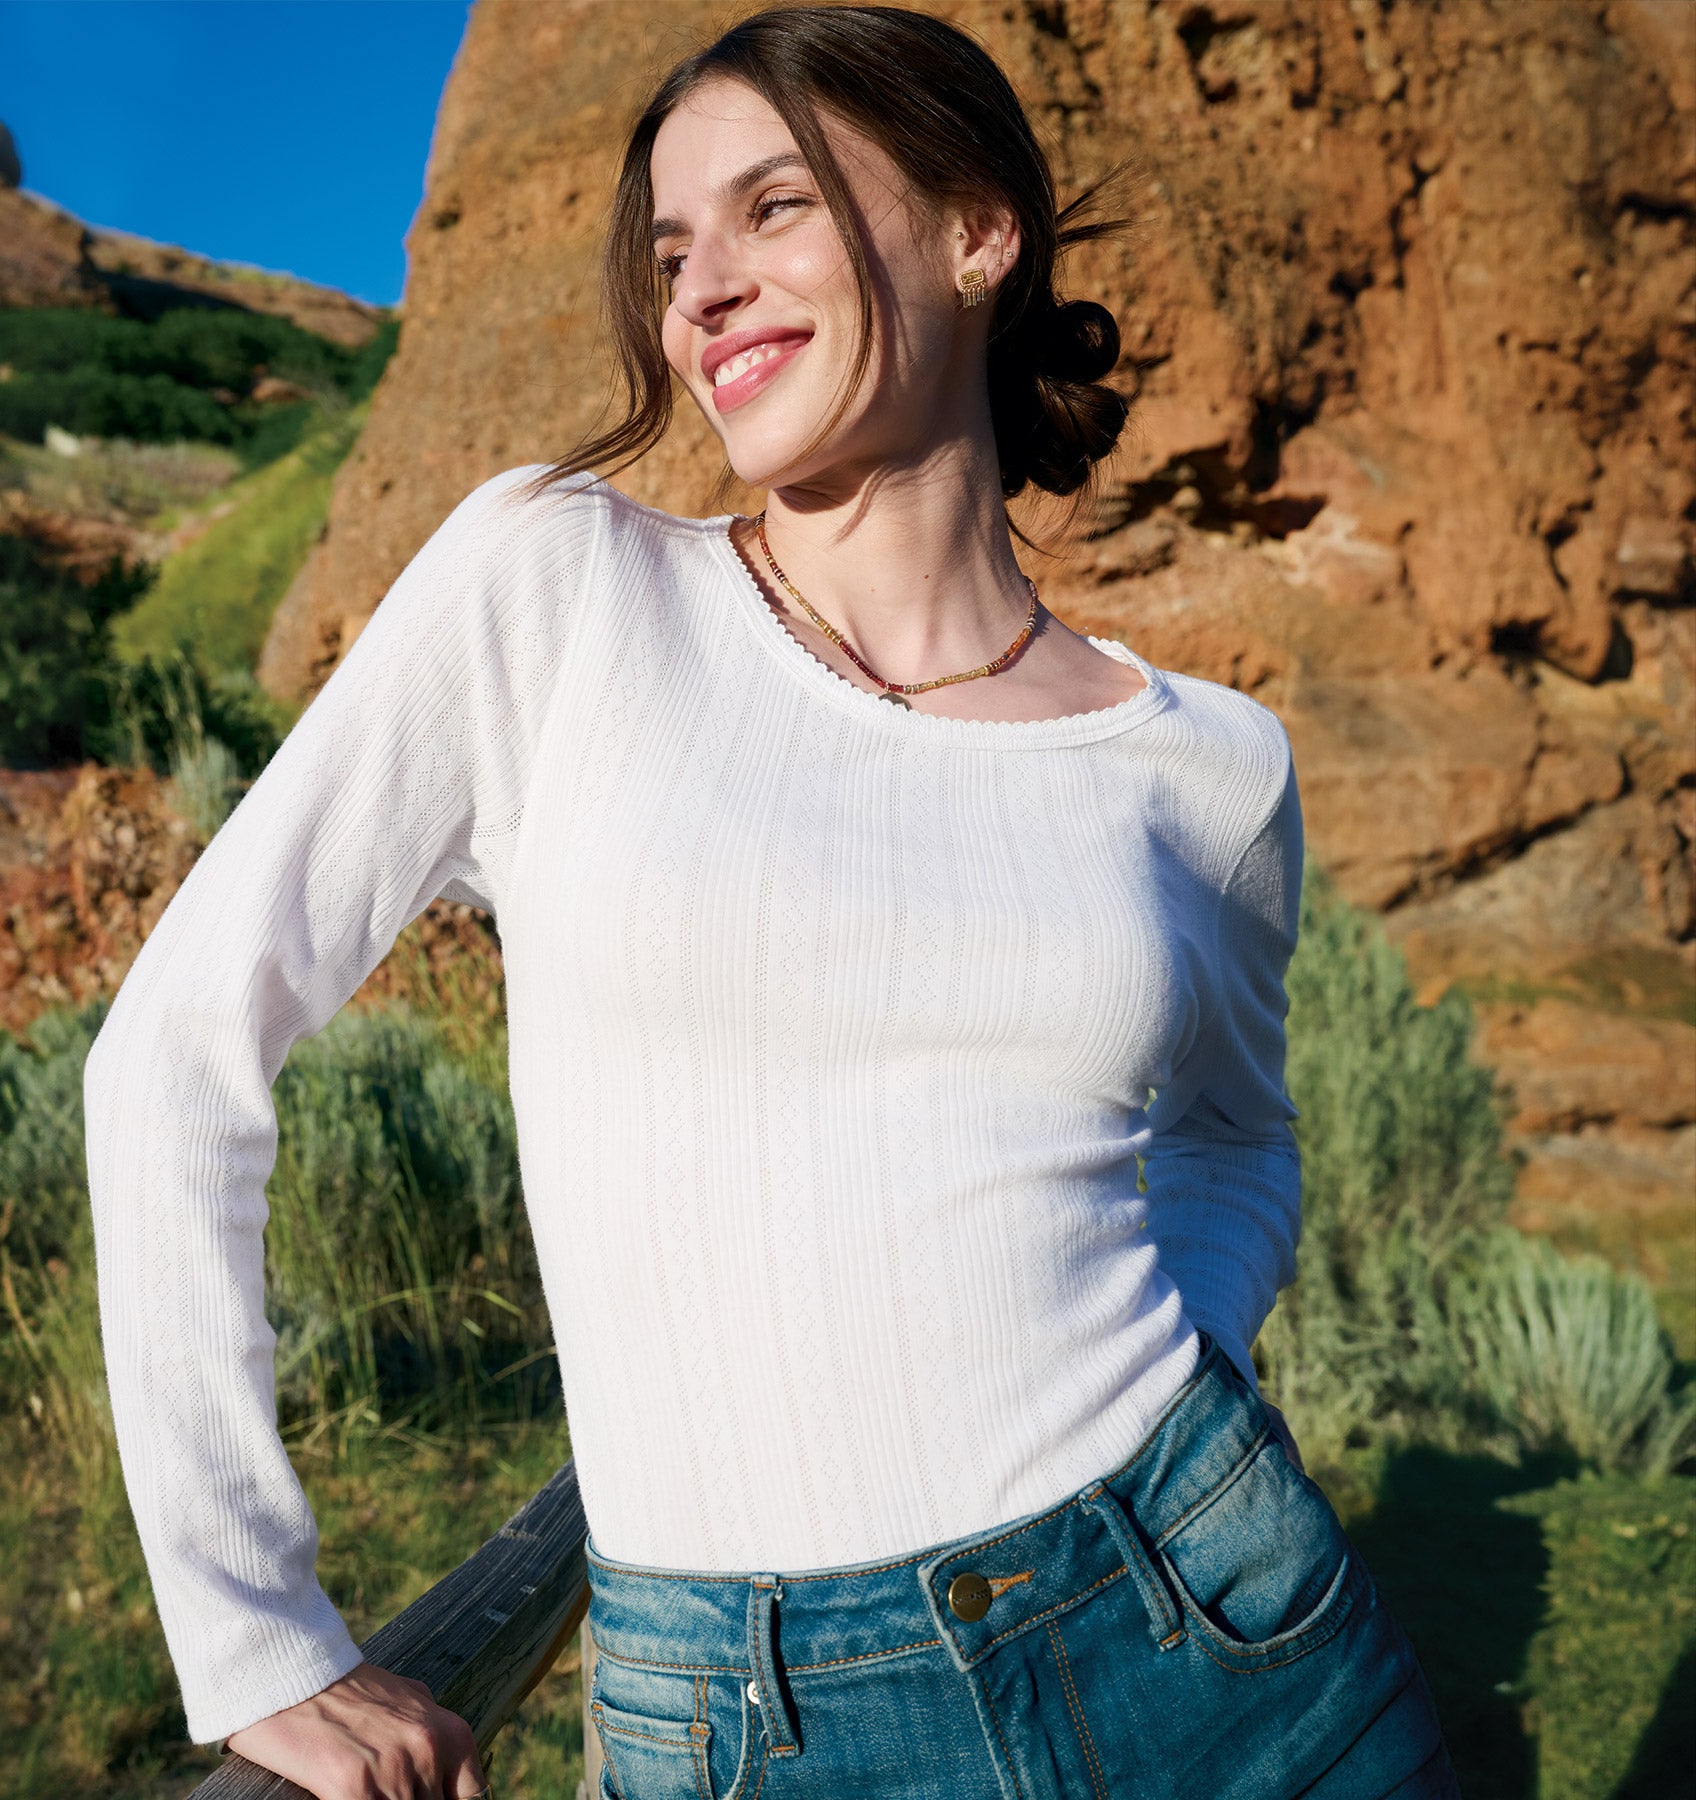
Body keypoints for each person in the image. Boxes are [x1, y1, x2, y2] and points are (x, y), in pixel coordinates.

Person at [85, 7, 1459, 1797]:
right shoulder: (562, 587)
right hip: (752, 1719)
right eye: (671, 254)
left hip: (1224, 1637)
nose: (702, 291)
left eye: (775, 206)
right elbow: (177, 1048)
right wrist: (254, 1633)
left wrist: (1180, 1373)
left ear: (979, 230)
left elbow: (1237, 1138)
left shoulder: (1206, 763)